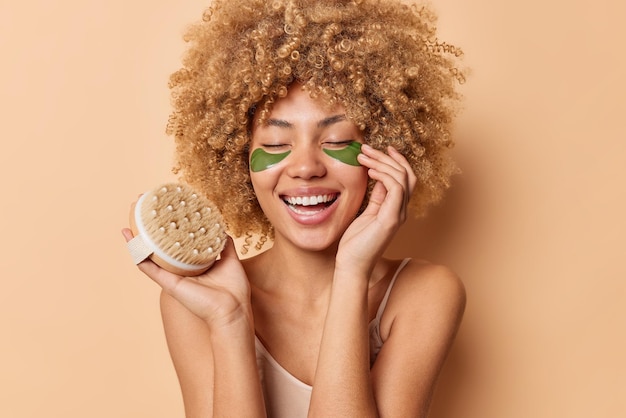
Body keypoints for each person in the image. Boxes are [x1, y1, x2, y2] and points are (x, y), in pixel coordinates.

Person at [122, 0, 466, 416]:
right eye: (275, 145)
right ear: (237, 160)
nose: (305, 168)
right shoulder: (199, 299)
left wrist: (352, 273)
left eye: (337, 140)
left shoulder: (425, 292)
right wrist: (230, 321)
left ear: (384, 155)